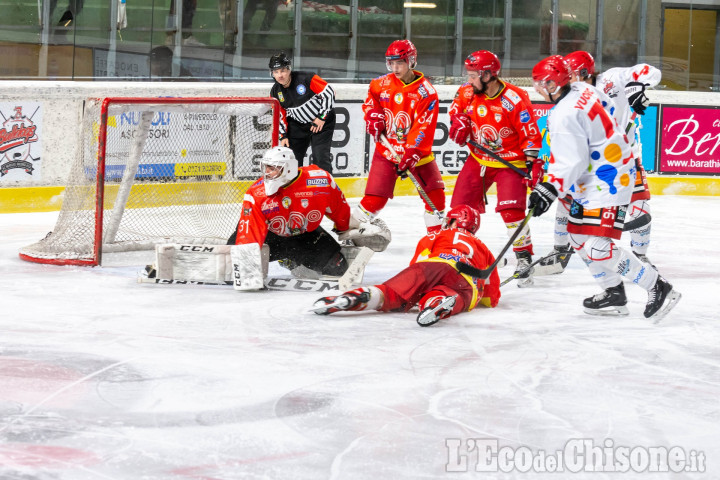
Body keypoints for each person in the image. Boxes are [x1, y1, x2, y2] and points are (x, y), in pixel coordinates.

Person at [528, 55, 680, 320]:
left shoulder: (564, 114)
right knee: (576, 237)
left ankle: (658, 286)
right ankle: (614, 293)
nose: (536, 89)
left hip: (607, 182)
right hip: (601, 174)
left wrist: (549, 188)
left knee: (598, 247)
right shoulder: (584, 90)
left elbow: (572, 160)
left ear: (554, 84)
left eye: (541, 83)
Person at [536, 51, 662, 275]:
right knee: (565, 202)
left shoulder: (611, 80)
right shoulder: (573, 93)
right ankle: (560, 251)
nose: (568, 78)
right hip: (590, 163)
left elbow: (649, 71)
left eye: (573, 74)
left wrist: (636, 85)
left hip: (622, 158)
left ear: (585, 72)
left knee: (640, 207)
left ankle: (640, 256)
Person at [227, 146, 390, 287]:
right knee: (231, 261)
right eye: (265, 167)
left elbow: (339, 210)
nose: (267, 173)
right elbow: (249, 236)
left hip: (304, 236)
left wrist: (350, 230)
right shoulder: (256, 193)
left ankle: (292, 258)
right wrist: (246, 271)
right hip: (270, 238)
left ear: (288, 168)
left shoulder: (320, 181)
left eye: (273, 168)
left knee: (337, 268)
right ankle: (285, 257)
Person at [312, 205, 500, 327]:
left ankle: (357, 298)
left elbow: (418, 262)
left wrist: (414, 286)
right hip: (463, 278)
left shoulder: (434, 236)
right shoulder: (484, 248)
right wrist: (483, 297)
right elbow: (492, 297)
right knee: (454, 294)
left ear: (451, 220)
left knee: (391, 293)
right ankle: (438, 302)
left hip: (431, 265)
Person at [447, 50, 543, 287]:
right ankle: (456, 254)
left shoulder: (514, 98)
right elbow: (455, 111)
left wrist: (532, 162)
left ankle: (524, 259)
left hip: (511, 162)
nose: (468, 80)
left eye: (473, 75)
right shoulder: (467, 92)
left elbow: (529, 133)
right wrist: (457, 121)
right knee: (459, 209)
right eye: (467, 75)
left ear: (488, 75)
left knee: (512, 213)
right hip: (479, 158)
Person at [358, 39, 445, 235]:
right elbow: (371, 102)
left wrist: (412, 152)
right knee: (374, 199)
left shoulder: (426, 92)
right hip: (387, 152)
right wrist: (373, 115)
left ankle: (436, 240)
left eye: (400, 63)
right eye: (391, 63)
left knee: (436, 197)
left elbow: (424, 127)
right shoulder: (381, 84)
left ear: (411, 61)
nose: (395, 68)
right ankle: (349, 233)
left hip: (417, 154)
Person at [269, 52, 336, 174]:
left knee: (320, 158)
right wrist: (283, 135)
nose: (280, 75)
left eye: (283, 70)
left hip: (321, 123)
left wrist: (321, 117)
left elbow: (329, 93)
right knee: (291, 160)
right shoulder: (275, 91)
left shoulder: (306, 78)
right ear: (272, 73)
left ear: (289, 69)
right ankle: (295, 189)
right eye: (276, 72)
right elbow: (280, 114)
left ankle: (325, 189)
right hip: (298, 125)